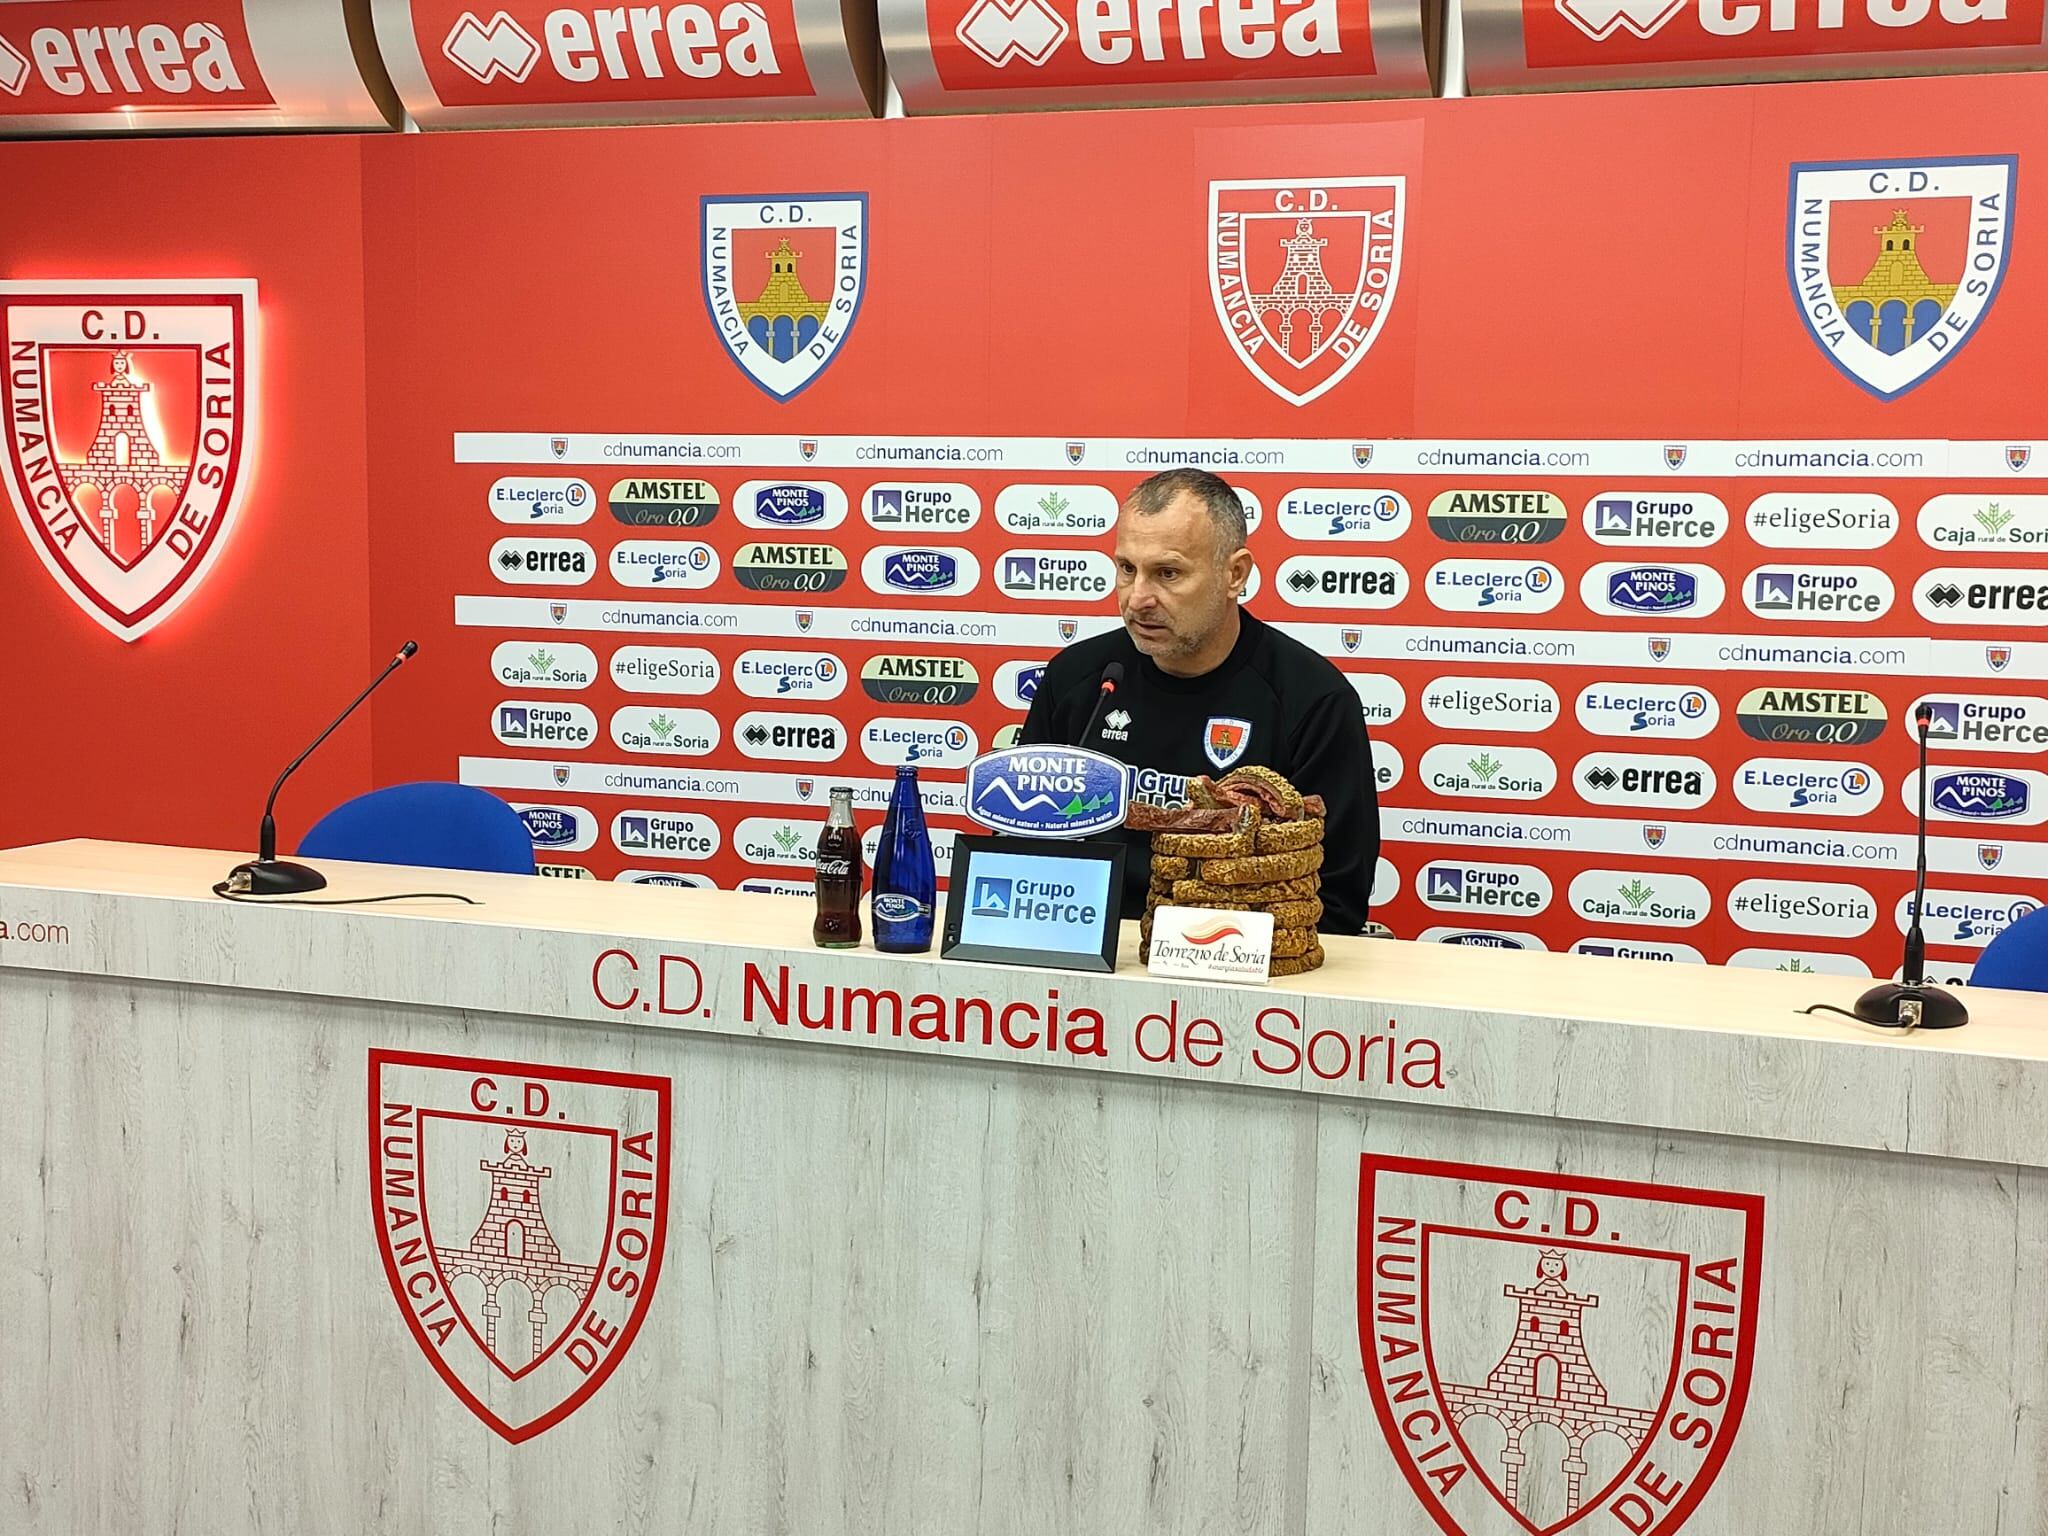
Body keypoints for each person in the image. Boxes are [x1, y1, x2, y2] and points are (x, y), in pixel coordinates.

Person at [1019, 467, 1379, 934]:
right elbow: (1018, 849)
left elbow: (1332, 901)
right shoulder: (1078, 679)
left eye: (1167, 573)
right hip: (1078, 947)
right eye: (1127, 569)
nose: (1138, 598)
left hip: (1235, 970)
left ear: (1235, 574)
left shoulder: (1313, 700)